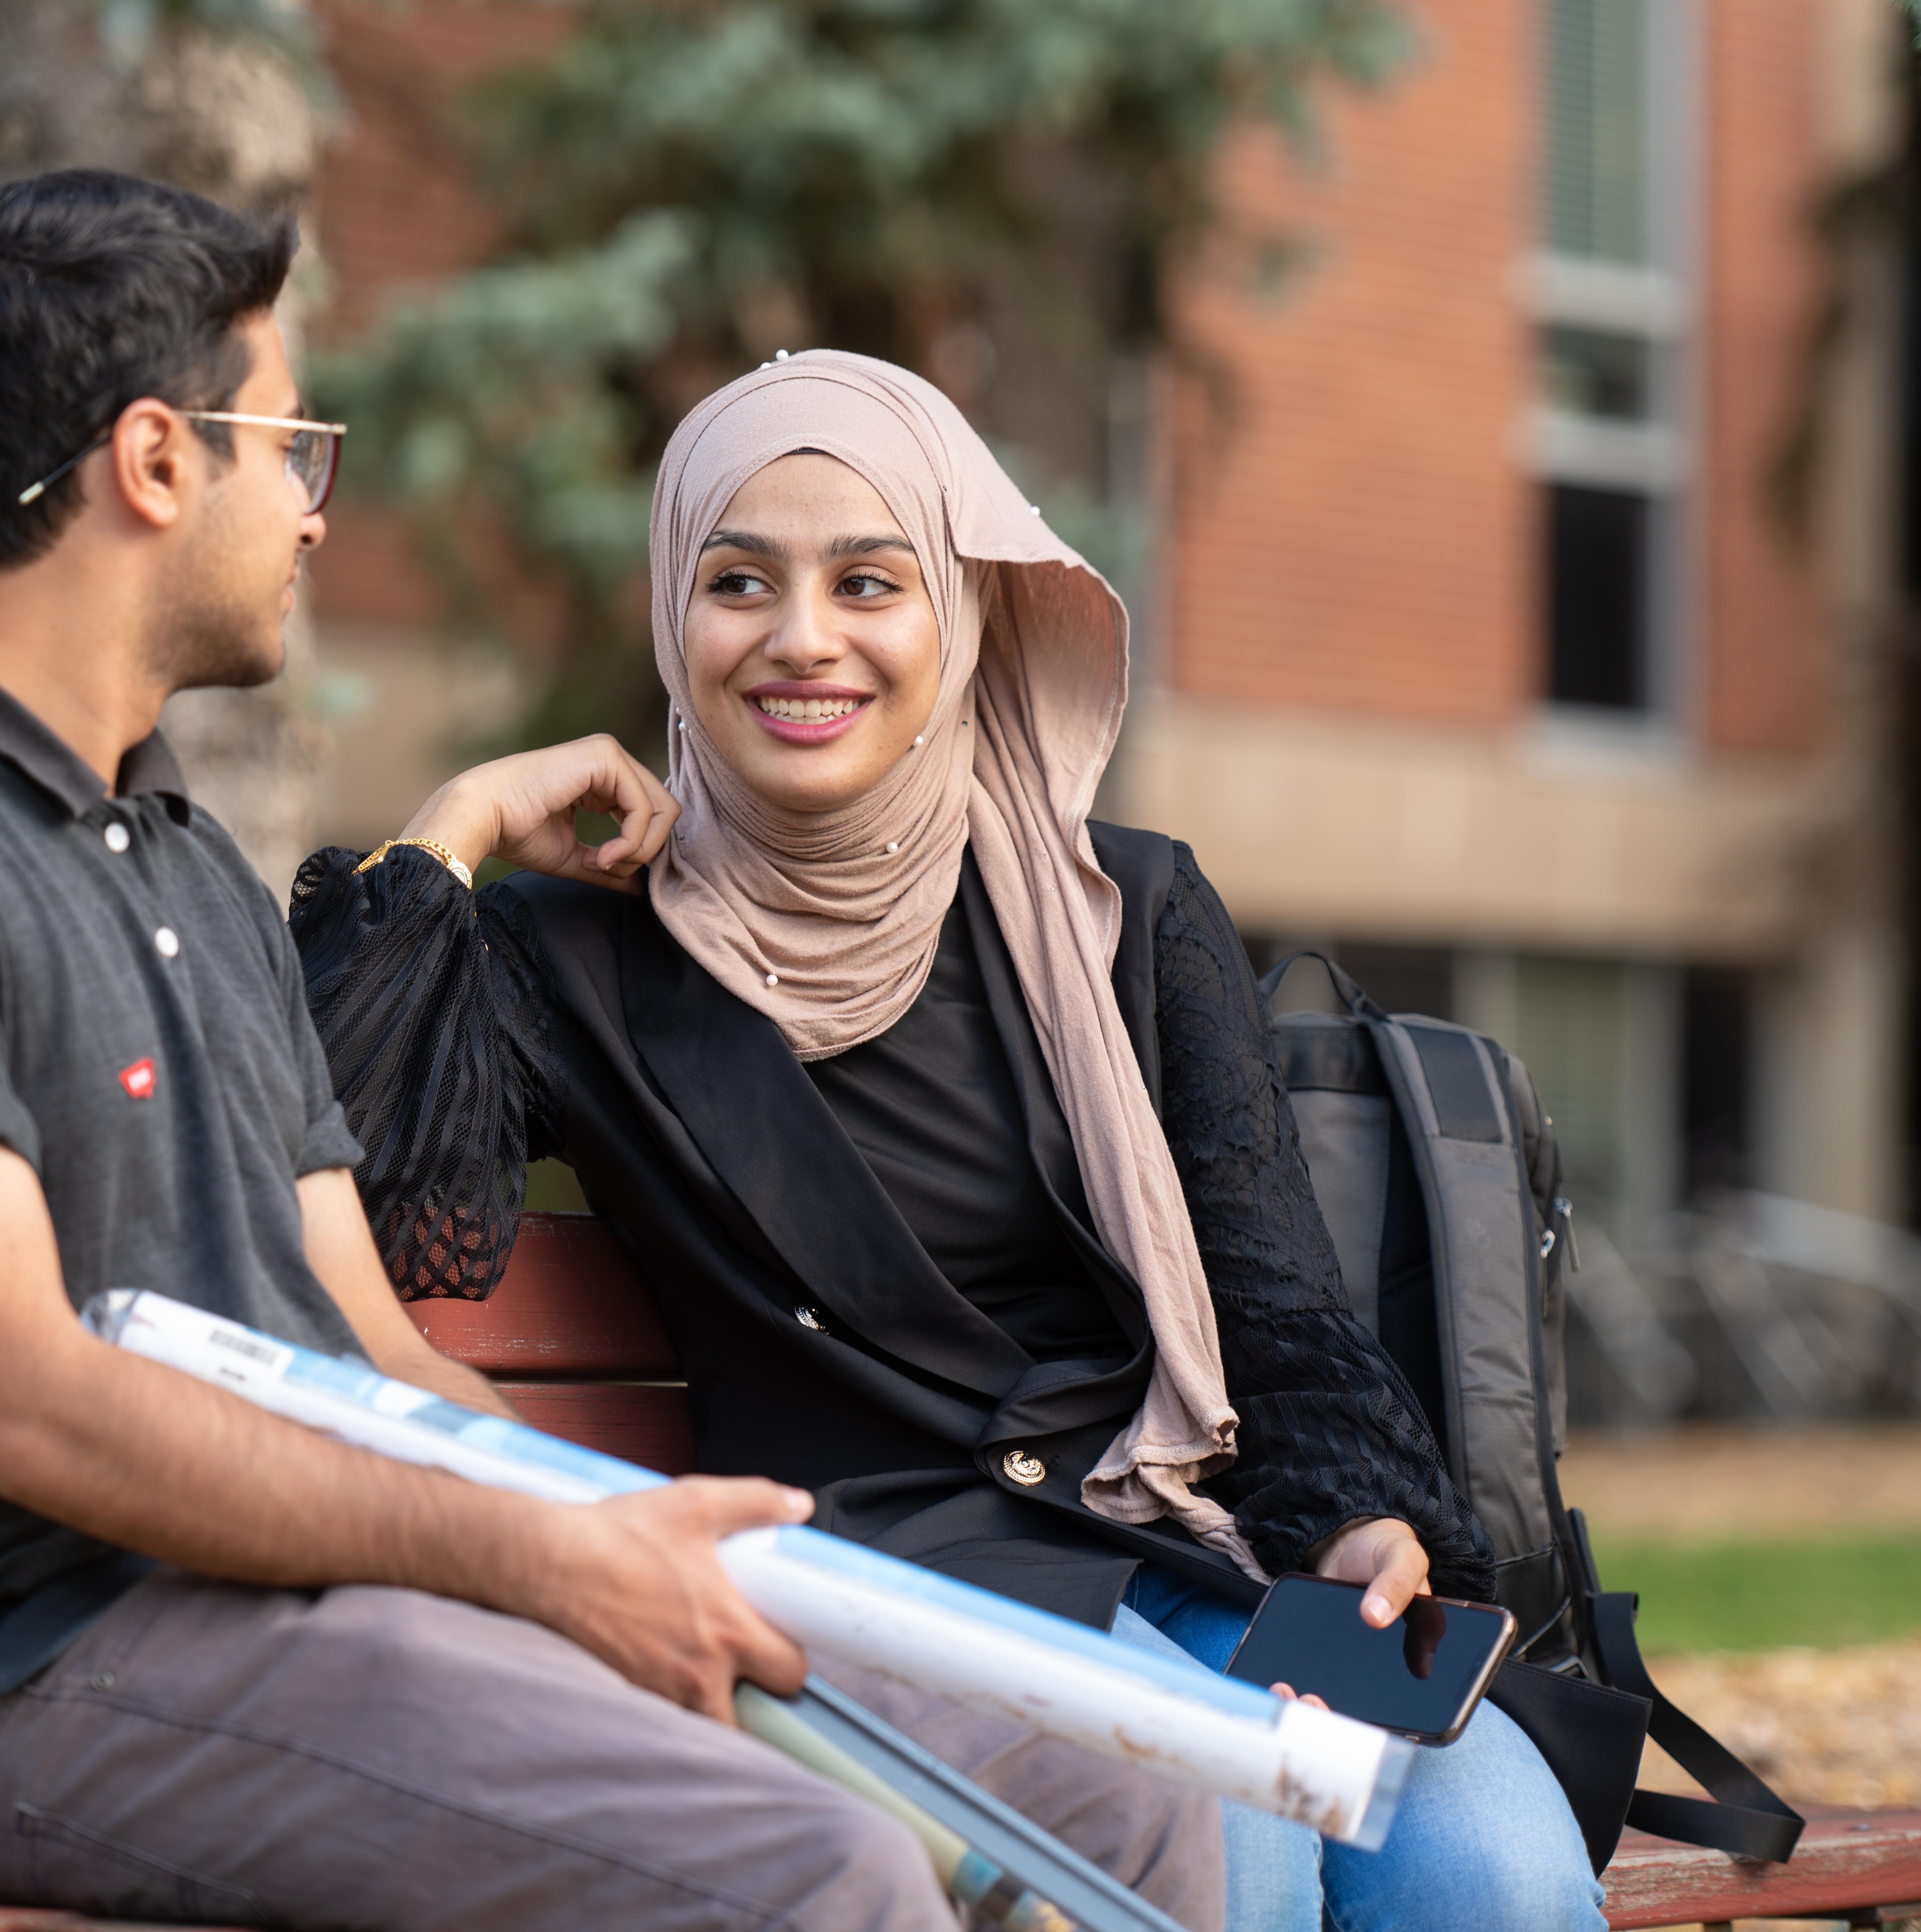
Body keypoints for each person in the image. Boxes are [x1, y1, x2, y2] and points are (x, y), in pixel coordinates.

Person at [0, 175, 1219, 1932]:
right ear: (159, 463)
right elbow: (23, 1401)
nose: (316, 517)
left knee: (1111, 1808)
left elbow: (379, 1353)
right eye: (290, 448)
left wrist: (632, 1543)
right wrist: (537, 1557)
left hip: (365, 1613)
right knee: (821, 1868)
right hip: (65, 1665)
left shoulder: (182, 871)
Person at [292, 350, 1607, 1932]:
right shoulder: (579, 962)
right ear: (671, 613)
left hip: (1193, 1546)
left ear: (961, 613)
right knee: (1218, 1853)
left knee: (1501, 1871)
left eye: (868, 581)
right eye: (737, 581)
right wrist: (462, 824)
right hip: (880, 1583)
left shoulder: (1122, 911)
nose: (802, 639)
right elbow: (311, 1145)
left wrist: (1357, 1524)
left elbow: (1281, 1312)